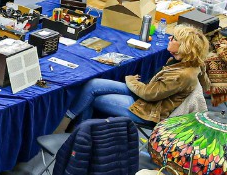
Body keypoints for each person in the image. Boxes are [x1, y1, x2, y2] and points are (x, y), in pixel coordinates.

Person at [60, 24, 209, 130]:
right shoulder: (184, 62)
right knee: (93, 84)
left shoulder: (183, 74)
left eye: (174, 38)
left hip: (149, 111)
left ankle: (78, 133)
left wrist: (131, 80)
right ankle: (68, 118)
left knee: (94, 99)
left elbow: (148, 94)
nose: (169, 38)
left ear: (184, 46)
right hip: (149, 100)